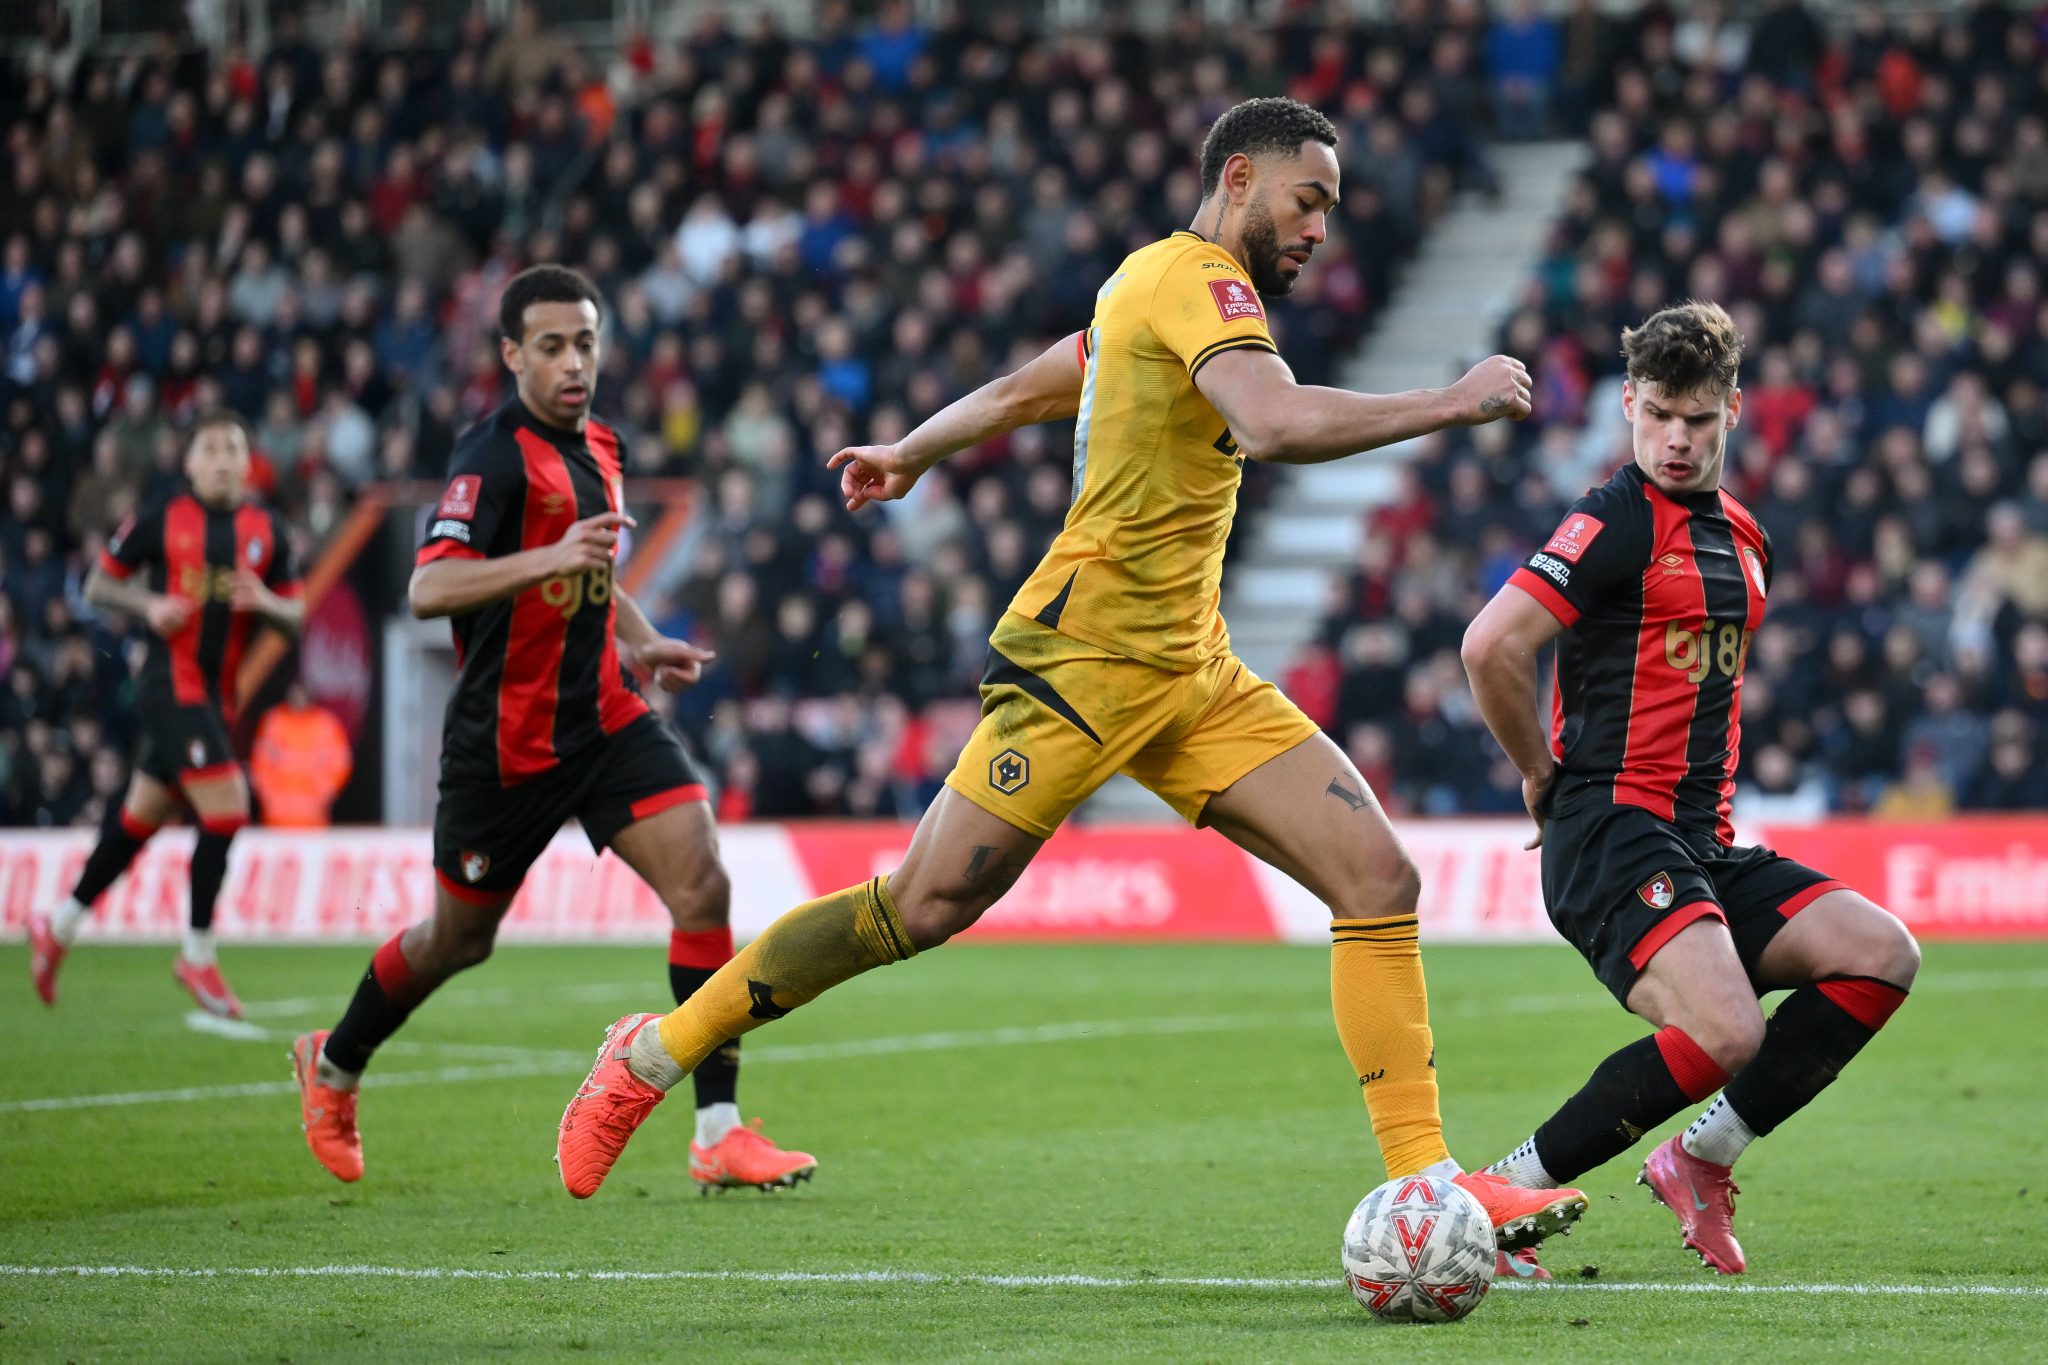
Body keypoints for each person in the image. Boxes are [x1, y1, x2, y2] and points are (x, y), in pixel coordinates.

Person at [555, 97, 1587, 1270]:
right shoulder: (1198, 281)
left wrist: (912, 448)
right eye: (1309, 201)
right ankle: (652, 1053)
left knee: (1374, 873)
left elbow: (1029, 389)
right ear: (1238, 177)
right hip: (1078, 661)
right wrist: (1450, 398)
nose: (1319, 230)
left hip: (1188, 668)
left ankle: (1427, 1186)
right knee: (920, 908)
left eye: (1331, 212)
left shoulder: (1147, 289)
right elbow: (1270, 422)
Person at [289, 266, 816, 1193]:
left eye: (587, 343)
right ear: (509, 354)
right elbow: (427, 588)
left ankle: (718, 1131)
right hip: (506, 745)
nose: (575, 362)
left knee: (703, 882)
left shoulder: (602, 442)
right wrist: (545, 557)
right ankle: (335, 1062)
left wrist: (644, 642)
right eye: (552, 345)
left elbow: (594, 575)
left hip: (605, 716)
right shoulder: (489, 459)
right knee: (459, 940)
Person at [1460, 300, 1920, 1275]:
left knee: (1878, 955)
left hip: (1699, 845)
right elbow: (1490, 646)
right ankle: (1497, 1196)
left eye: (1697, 420)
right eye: (1658, 414)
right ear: (1627, 404)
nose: (1674, 439)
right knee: (1724, 1030)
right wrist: (1538, 778)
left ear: (1733, 412)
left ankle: (1702, 1153)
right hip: (1608, 829)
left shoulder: (1744, 538)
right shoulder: (1612, 519)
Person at [29, 411, 304, 1019]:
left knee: (138, 823)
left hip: (213, 694)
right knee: (229, 803)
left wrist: (265, 602)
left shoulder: (268, 531)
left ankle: (58, 927)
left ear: (246, 460)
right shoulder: (163, 518)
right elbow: (99, 586)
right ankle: (197, 954)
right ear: (189, 462)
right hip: (165, 680)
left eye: (234, 448)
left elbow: (296, 616)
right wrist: (148, 604)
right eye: (211, 449)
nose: (224, 459)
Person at [250, 681, 353, 827]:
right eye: (294, 695)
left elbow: (340, 764)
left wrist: (322, 793)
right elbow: (260, 764)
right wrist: (268, 797)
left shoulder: (326, 724)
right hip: (276, 817)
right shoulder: (274, 721)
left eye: (302, 695)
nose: (298, 699)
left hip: (313, 816)